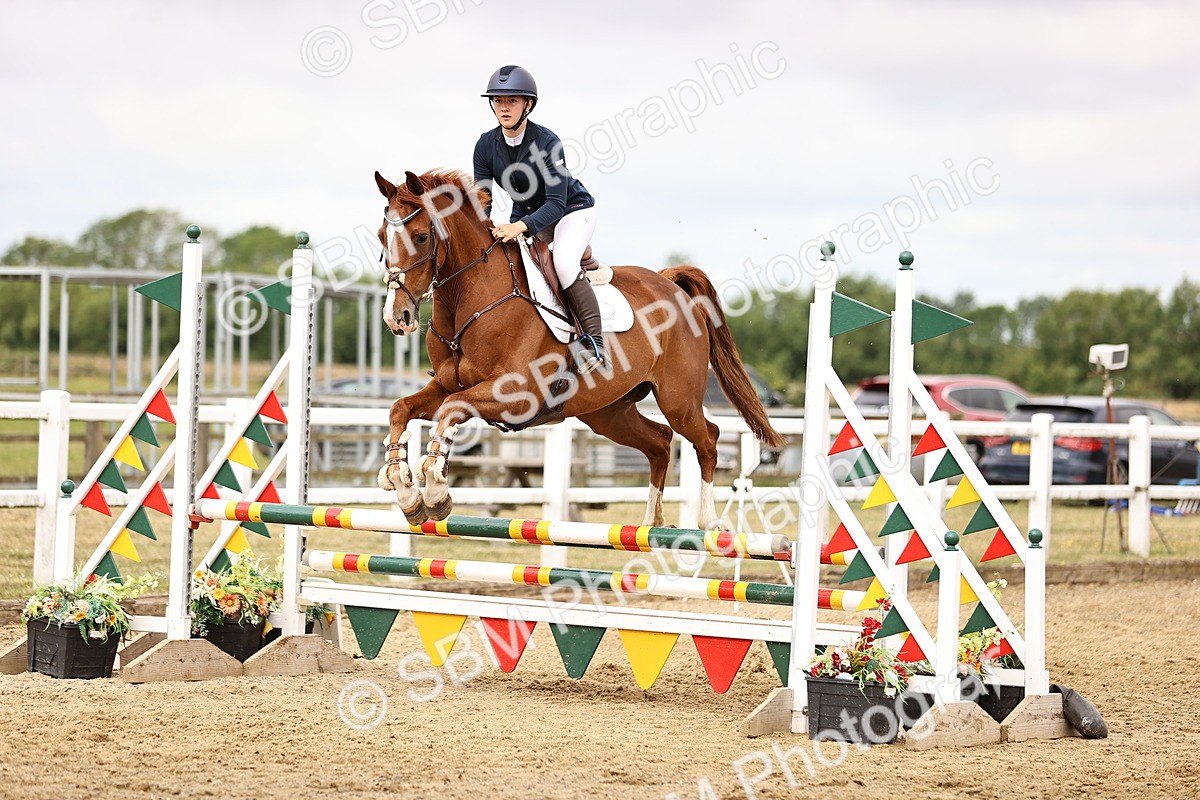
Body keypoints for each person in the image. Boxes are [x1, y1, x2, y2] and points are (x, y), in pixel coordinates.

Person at [472, 65, 607, 374]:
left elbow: (556, 203)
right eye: (498, 101)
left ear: (528, 105)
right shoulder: (485, 145)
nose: (503, 108)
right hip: (529, 214)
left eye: (512, 101)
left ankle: (594, 344)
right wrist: (482, 231)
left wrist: (519, 226)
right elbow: (484, 200)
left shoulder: (547, 142)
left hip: (572, 210)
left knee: (562, 261)